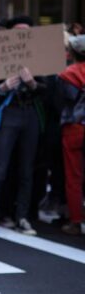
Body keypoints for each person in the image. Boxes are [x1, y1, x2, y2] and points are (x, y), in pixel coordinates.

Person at [0, 17, 45, 237]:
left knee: (26, 168)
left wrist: (32, 83)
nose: (22, 36)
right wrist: (3, 87)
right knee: (0, 167)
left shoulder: (39, 57)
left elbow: (47, 89)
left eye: (26, 32)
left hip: (29, 113)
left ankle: (21, 216)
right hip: (9, 114)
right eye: (18, 32)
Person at [58, 34, 85, 235]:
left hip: (74, 128)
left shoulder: (68, 74)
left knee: (74, 176)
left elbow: (62, 102)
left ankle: (76, 221)